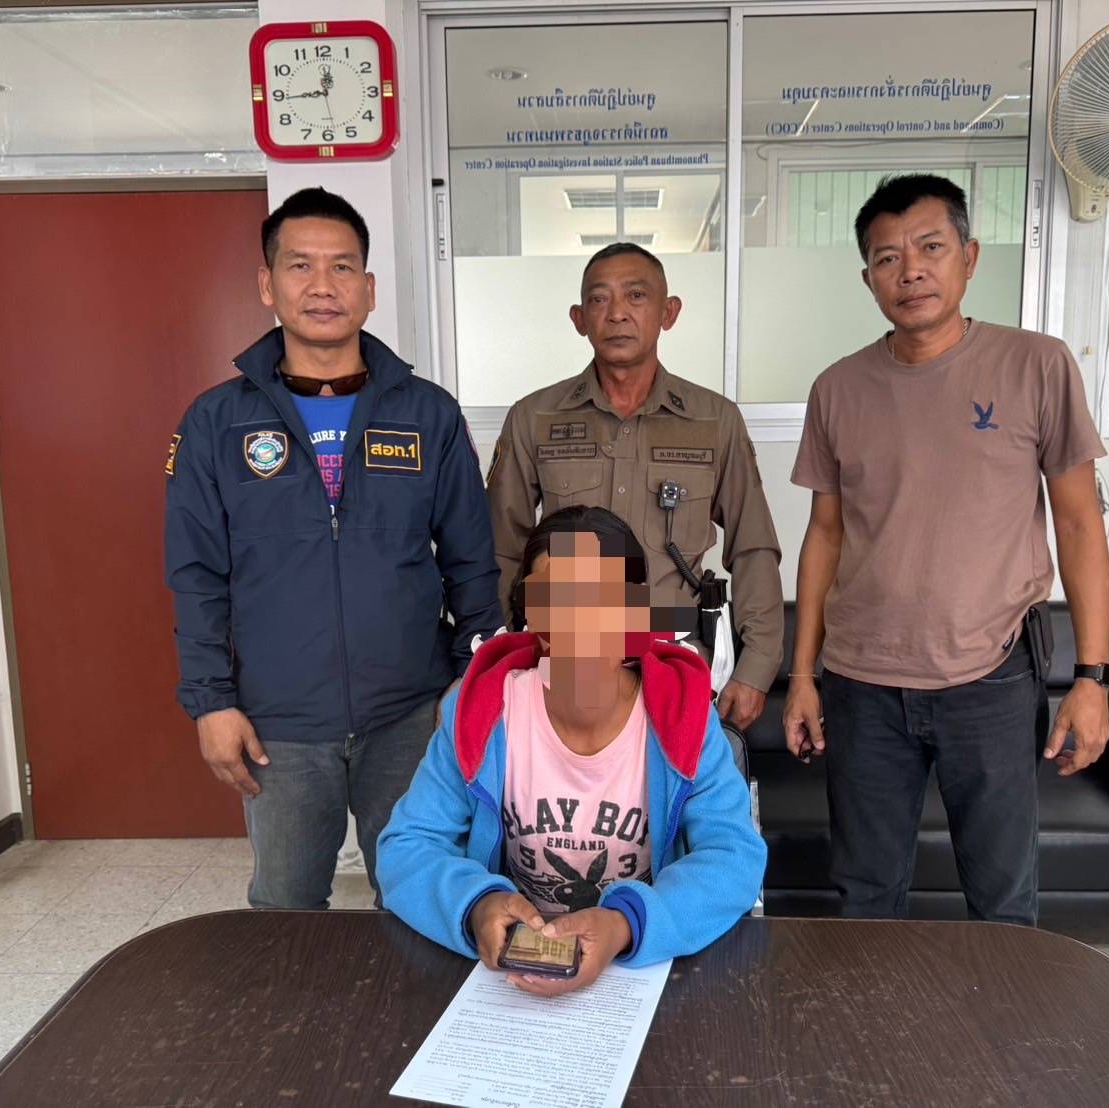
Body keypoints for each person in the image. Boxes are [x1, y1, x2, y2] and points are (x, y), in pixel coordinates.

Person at [782, 174, 1109, 926]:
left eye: (930, 248)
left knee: (1002, 899)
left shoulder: (1037, 365)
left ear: (969, 257)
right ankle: (874, 1009)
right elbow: (825, 534)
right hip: (862, 682)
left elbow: (1079, 524)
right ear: (868, 278)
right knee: (864, 896)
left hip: (989, 677)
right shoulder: (837, 389)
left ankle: (999, 1012)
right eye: (887, 258)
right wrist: (803, 676)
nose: (910, 271)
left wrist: (1092, 678)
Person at [164, 187, 501, 908]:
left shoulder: (428, 414)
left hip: (412, 714)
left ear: (369, 290)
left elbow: (473, 563)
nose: (322, 286)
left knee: (423, 899)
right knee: (285, 909)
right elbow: (197, 577)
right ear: (267, 285)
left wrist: (472, 684)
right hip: (277, 724)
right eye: (300, 266)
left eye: (342, 267)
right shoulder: (216, 422)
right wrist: (210, 703)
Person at [378, 507, 765, 997]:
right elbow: (406, 847)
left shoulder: (683, 715)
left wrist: (624, 925)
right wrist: (476, 905)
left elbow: (735, 857)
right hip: (510, 979)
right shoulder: (481, 712)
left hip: (640, 972)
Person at [487, 243, 783, 731]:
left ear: (669, 312)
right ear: (579, 319)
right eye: (599, 299)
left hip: (676, 659)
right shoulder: (534, 417)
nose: (617, 313)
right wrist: (496, 657)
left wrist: (757, 667)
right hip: (563, 665)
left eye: (636, 296)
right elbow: (501, 549)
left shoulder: (714, 421)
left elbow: (753, 546)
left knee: (680, 781)